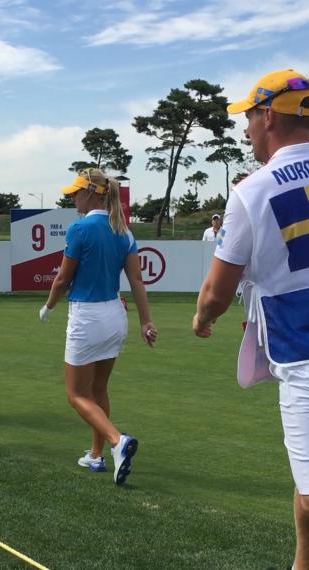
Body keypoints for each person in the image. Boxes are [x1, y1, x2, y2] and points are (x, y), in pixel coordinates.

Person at [192, 69, 309, 570]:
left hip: (301, 350)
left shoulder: (250, 191)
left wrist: (202, 318)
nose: (245, 130)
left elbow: (217, 292)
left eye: (249, 118)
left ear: (268, 116)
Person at [39, 168, 157, 485]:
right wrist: (146, 321)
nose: (72, 198)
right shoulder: (123, 231)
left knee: (76, 394)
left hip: (87, 317)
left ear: (91, 193)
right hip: (115, 316)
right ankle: (96, 454)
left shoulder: (80, 229)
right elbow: (137, 280)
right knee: (98, 389)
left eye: (76, 193)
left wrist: (48, 306)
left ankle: (117, 441)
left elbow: (62, 279)